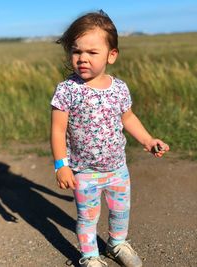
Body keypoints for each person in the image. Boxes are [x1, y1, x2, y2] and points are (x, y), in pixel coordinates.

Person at [50, 10, 169, 267]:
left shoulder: (119, 89)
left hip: (117, 168)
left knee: (120, 212)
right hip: (84, 171)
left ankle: (116, 244)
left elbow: (128, 118)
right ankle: (90, 257)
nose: (82, 59)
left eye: (92, 53)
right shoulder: (67, 90)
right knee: (87, 218)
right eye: (76, 51)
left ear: (111, 55)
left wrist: (148, 140)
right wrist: (62, 165)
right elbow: (58, 130)